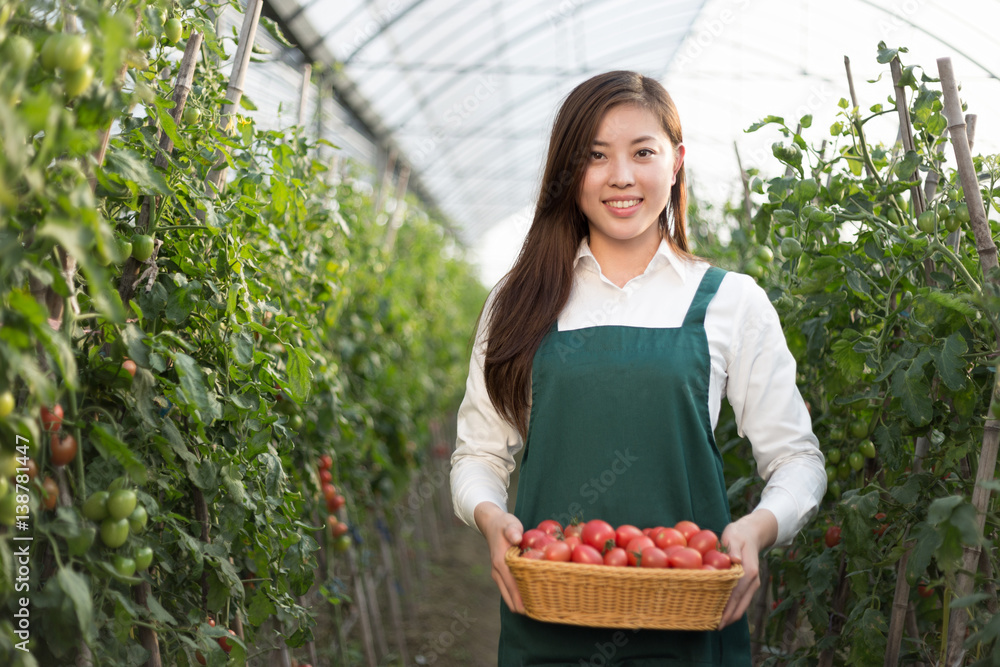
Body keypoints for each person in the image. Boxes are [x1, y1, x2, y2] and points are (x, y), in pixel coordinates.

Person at [450, 70, 826, 666]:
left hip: (690, 625)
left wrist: (759, 528)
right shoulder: (518, 303)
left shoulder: (730, 302)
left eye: (642, 152)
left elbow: (796, 458)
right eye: (595, 156)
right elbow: (479, 454)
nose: (620, 176)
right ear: (567, 173)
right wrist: (490, 516)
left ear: (676, 162)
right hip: (548, 616)